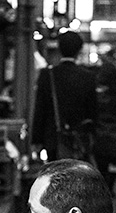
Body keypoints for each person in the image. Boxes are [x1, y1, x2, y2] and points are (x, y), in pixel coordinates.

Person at [31, 31, 98, 162]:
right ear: (79, 50)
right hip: (79, 140)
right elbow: (93, 112)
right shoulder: (88, 77)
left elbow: (40, 109)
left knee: (56, 176)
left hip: (53, 139)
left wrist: (36, 140)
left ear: (59, 49)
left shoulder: (47, 75)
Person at [92, 62, 116, 196]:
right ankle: (110, 186)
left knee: (101, 163)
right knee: (115, 162)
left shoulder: (97, 95)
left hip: (99, 134)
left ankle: (104, 186)